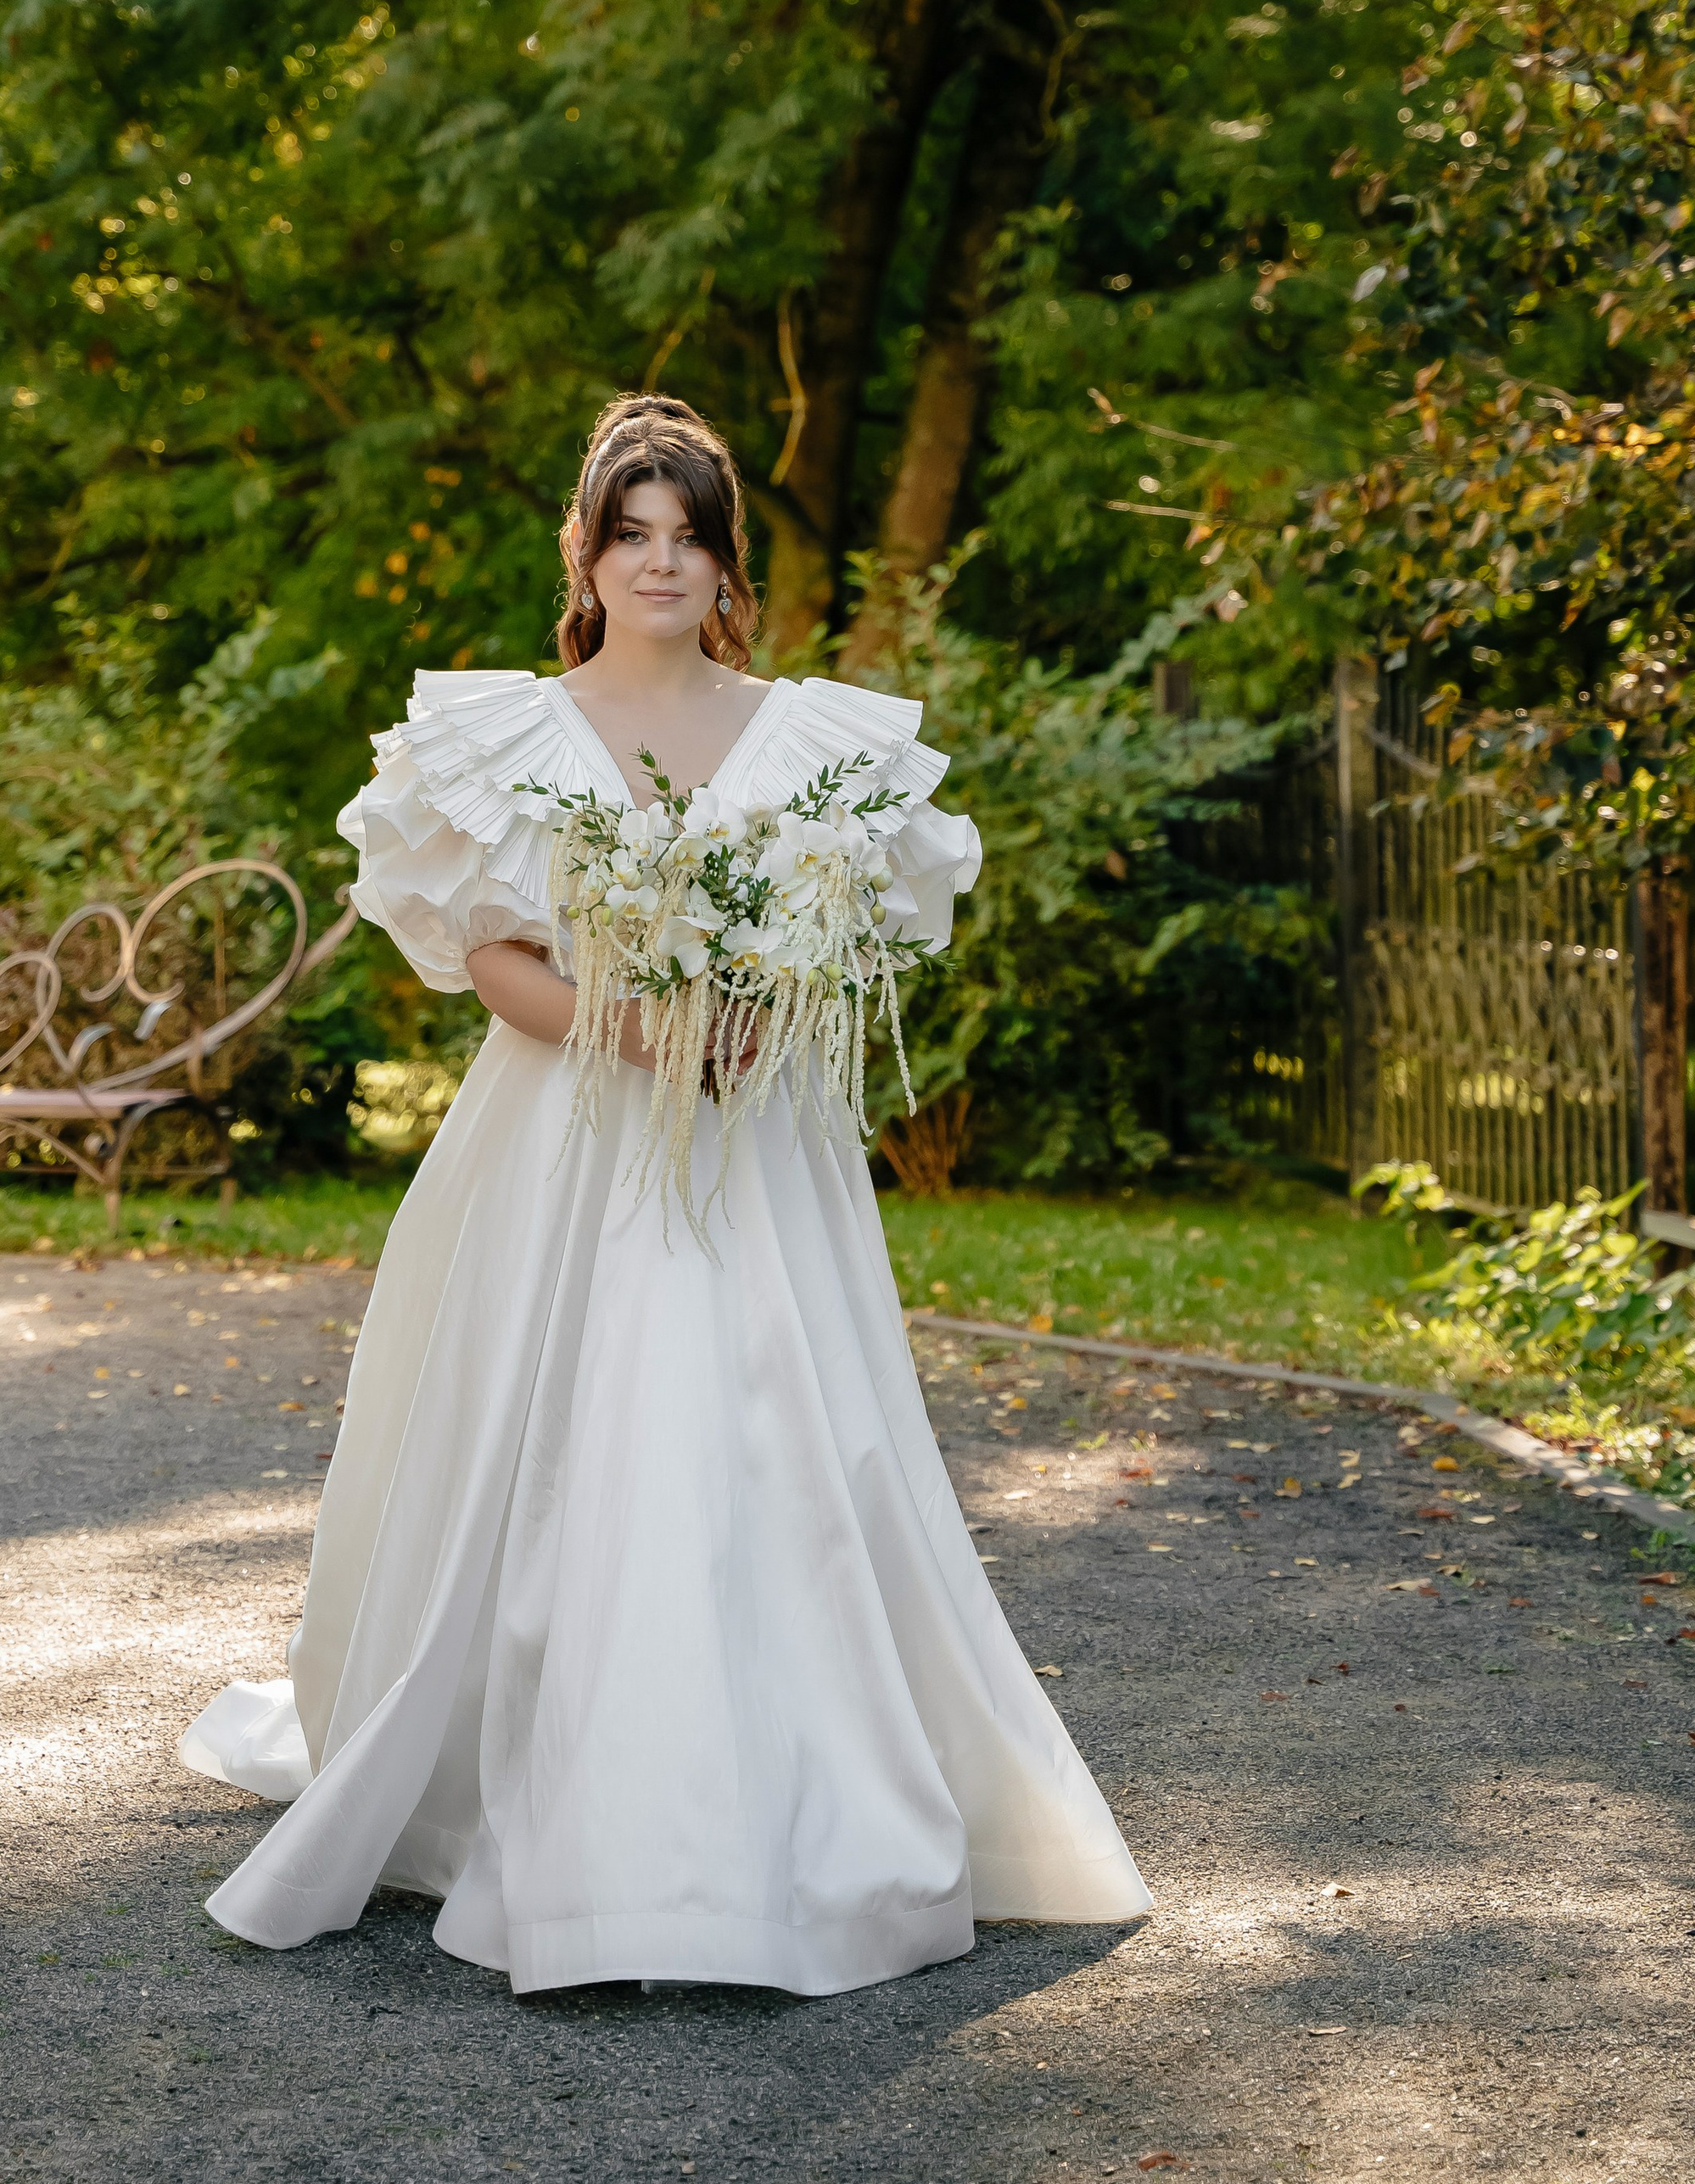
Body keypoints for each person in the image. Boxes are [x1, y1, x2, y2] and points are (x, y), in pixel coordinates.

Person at [180, 393, 1150, 1994]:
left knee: (779, 1440)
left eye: (689, 534)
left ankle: (789, 1809)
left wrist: (763, 1001)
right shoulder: (507, 731)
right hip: (569, 1140)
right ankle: (557, 1809)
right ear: (588, 551)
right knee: (568, 1441)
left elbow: (846, 934)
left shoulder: (816, 745)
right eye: (632, 532)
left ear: (726, 562)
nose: (661, 561)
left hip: (758, 1149)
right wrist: (639, 1026)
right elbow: (489, 957)